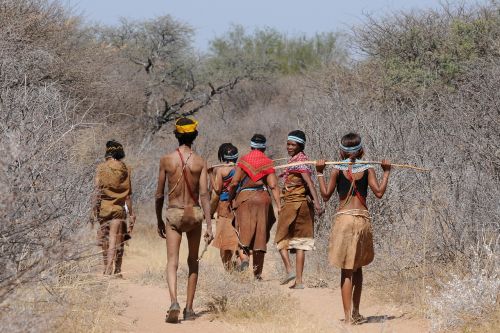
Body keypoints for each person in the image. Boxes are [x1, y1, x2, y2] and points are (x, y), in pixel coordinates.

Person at [315, 132, 391, 325]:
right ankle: (356, 313)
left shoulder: (336, 169)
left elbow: (325, 196)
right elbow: (379, 193)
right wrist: (387, 171)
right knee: (358, 269)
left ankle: (348, 318)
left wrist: (319, 172)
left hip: (344, 220)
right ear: (362, 150)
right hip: (363, 220)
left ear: (341, 151)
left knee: (346, 271)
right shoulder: (369, 169)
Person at [155, 117, 213, 323]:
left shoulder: (166, 160)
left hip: (174, 213)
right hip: (195, 214)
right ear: (194, 136)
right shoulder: (200, 162)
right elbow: (205, 195)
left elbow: (159, 194)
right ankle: (189, 309)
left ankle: (173, 302)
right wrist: (209, 223)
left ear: (177, 135)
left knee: (172, 262)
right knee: (193, 261)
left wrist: (159, 219)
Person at [227, 134, 281, 279]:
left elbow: (234, 183)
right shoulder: (268, 162)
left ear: (251, 147)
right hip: (263, 199)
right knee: (260, 236)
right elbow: (273, 185)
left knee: (242, 233)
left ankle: (244, 259)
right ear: (264, 147)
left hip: (246, 199)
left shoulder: (244, 160)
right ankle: (257, 275)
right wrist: (279, 205)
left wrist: (230, 199)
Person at [275, 130, 323, 289]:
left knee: (281, 239)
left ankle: (289, 270)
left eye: (292, 144)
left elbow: (309, 183)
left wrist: (317, 203)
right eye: (288, 144)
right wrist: (315, 204)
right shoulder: (301, 160)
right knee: (300, 243)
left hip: (292, 204)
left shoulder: (299, 162)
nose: (289, 147)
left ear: (300, 145)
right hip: (304, 206)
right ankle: (299, 282)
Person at [92, 140, 135, 276]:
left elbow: (97, 191)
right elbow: (127, 195)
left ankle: (107, 268)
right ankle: (116, 269)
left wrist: (94, 209)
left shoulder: (101, 168)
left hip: (103, 208)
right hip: (119, 208)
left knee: (105, 238)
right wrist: (132, 213)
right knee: (118, 238)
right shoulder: (126, 169)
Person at [209, 143, 240, 271]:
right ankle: (237, 264)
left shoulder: (221, 170)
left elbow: (217, 190)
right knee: (237, 236)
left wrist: (210, 174)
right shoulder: (240, 169)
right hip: (239, 204)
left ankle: (229, 270)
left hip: (225, 206)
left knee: (224, 241)